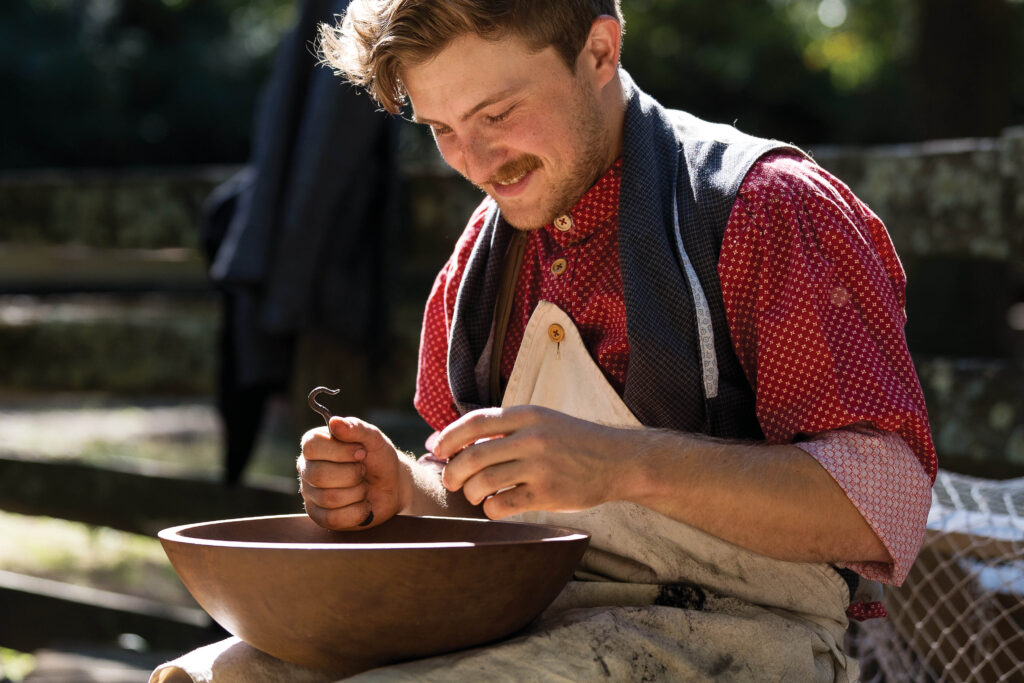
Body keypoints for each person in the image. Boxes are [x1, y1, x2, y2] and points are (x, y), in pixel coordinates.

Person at [291, 1, 937, 680]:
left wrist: (626, 464)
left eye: (497, 114)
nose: (474, 163)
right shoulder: (477, 265)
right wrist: (406, 488)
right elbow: (486, 503)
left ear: (600, 52)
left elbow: (882, 509)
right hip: (522, 619)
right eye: (441, 128)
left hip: (742, 639)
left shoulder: (768, 209)